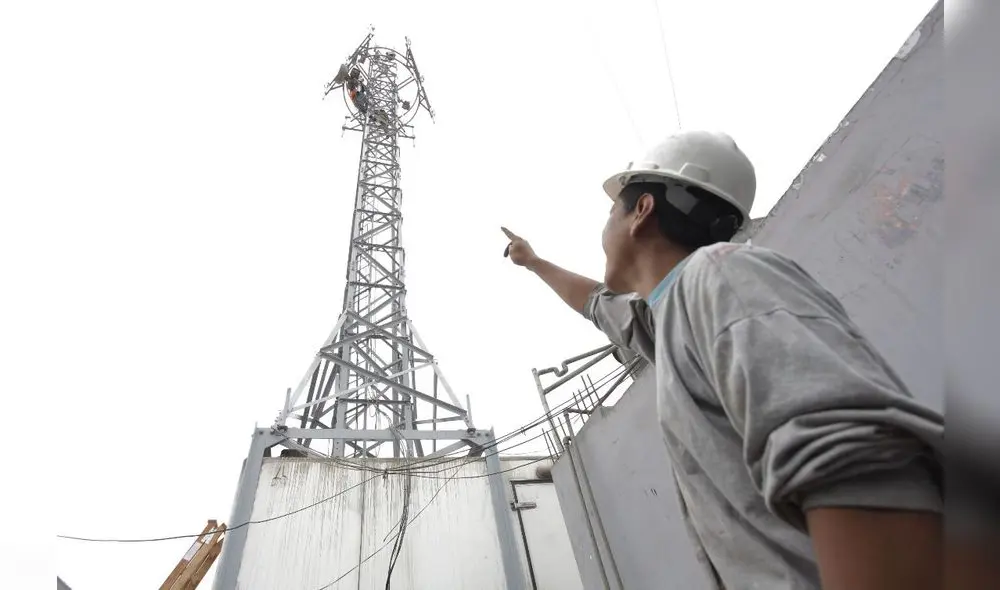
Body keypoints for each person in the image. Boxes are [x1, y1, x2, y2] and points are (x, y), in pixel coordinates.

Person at [502, 130, 944, 590]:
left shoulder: (721, 276)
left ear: (642, 211)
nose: (604, 230)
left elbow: (856, 463)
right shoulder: (673, 319)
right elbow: (600, 305)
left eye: (613, 210)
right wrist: (533, 262)